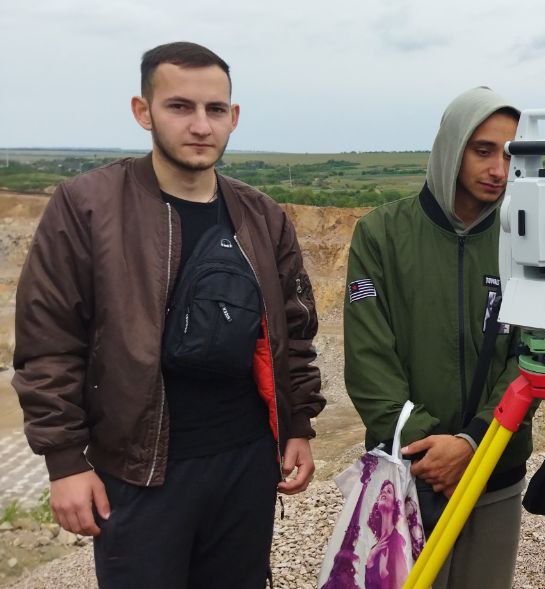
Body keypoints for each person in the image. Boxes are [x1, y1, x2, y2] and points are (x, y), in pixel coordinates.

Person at [12, 41, 323, 588]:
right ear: (143, 111)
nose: (201, 125)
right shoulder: (88, 206)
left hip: (246, 462)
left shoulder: (262, 215)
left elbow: (293, 330)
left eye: (215, 109)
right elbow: (49, 341)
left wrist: (297, 425)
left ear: (234, 117)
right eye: (180, 106)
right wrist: (65, 461)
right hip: (139, 473)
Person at [343, 87, 528, 588]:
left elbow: (531, 355)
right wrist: (429, 450)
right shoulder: (381, 234)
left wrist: (474, 442)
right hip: (409, 475)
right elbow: (368, 361)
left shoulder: (524, 238)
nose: (499, 170)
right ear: (451, 148)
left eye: (511, 154)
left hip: (495, 473)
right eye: (483, 150)